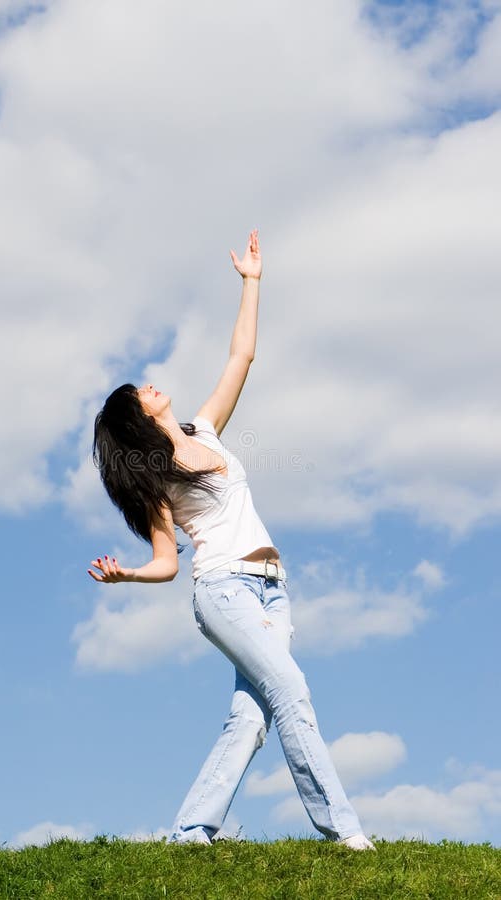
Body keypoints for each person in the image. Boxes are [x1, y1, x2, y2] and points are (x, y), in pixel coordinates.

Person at [88, 230, 375, 851]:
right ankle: (344, 832)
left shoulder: (205, 430)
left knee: (251, 718)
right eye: (141, 392)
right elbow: (168, 562)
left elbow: (241, 357)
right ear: (137, 416)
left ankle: (190, 832)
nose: (152, 388)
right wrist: (127, 575)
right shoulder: (157, 481)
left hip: (273, 590)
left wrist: (251, 282)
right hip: (222, 590)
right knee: (292, 692)